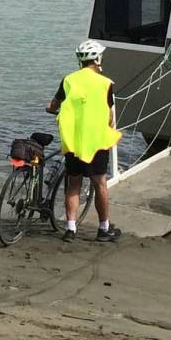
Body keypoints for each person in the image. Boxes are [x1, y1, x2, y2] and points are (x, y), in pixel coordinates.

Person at [46, 39, 122, 242]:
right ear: (97, 59)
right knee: (100, 184)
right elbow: (110, 118)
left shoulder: (68, 80)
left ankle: (70, 229)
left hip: (74, 142)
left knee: (74, 184)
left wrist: (52, 109)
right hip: (96, 142)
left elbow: (54, 104)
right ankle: (103, 228)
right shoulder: (106, 84)